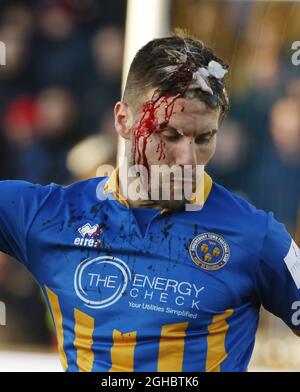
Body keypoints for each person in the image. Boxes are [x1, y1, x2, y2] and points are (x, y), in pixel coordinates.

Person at [0, 33, 299, 372]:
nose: (188, 159)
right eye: (169, 135)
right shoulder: (52, 214)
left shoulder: (255, 235)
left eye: (204, 138)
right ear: (123, 121)